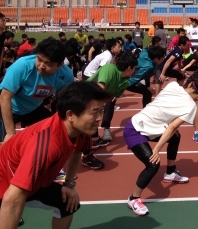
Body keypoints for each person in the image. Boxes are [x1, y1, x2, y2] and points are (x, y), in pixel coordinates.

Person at [0, 81, 112, 229]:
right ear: (71, 115)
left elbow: (77, 152)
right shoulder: (45, 144)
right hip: (6, 185)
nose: (99, 118)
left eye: (101, 111)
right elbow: (12, 199)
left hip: (33, 182)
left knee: (68, 204)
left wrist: (69, 184)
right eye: (94, 112)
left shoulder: (82, 131)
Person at [123, 76, 198, 215]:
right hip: (134, 130)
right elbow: (172, 126)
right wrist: (156, 149)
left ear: (191, 83)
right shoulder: (190, 107)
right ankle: (133, 198)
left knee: (175, 136)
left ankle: (170, 173)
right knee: (153, 164)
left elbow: (168, 115)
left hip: (146, 125)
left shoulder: (172, 85)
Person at [0, 37, 74, 143]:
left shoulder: (66, 75)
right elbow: (4, 97)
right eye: (39, 59)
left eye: (48, 64)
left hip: (33, 109)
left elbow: (66, 102)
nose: (41, 66)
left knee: (58, 133)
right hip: (8, 108)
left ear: (60, 65)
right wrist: (10, 133)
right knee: (5, 144)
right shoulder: (22, 65)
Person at [81, 52, 137, 169]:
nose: (135, 71)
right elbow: (100, 89)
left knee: (84, 131)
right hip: (82, 98)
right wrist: (96, 111)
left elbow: (110, 97)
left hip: (94, 104)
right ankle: (84, 156)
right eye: (134, 68)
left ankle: (86, 155)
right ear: (129, 68)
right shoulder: (110, 68)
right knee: (79, 130)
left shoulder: (125, 81)